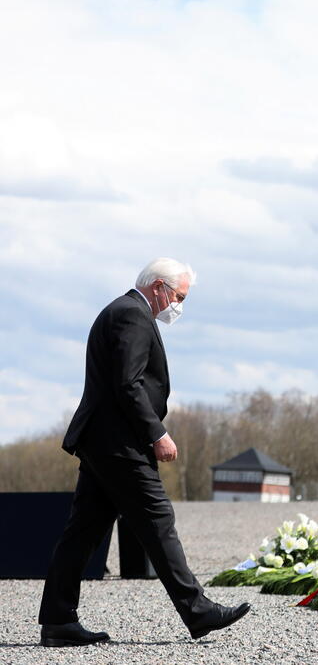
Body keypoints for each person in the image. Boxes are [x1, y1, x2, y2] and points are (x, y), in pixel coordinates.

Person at [38, 258, 250, 647]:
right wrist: (157, 434)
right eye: (179, 297)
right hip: (119, 445)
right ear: (158, 287)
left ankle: (57, 620)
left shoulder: (121, 311)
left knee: (82, 532)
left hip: (103, 442)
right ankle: (197, 610)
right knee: (157, 519)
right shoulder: (132, 315)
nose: (179, 306)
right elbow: (128, 383)